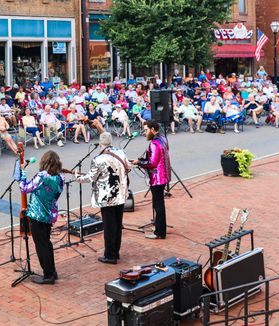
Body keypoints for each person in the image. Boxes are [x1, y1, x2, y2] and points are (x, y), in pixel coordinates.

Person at [75, 132, 131, 263]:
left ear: (100, 144)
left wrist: (78, 177)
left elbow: (90, 178)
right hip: (121, 194)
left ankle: (110, 255)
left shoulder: (98, 159)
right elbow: (128, 167)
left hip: (107, 197)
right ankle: (115, 252)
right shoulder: (121, 153)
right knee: (117, 225)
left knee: (109, 227)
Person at [19, 150, 64, 284]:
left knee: (41, 245)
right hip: (50, 214)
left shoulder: (42, 176)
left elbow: (24, 188)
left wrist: (22, 173)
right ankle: (52, 271)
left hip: (37, 215)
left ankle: (48, 275)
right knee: (46, 242)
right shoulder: (61, 177)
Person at [132, 121, 170, 239]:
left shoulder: (154, 143)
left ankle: (159, 232)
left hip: (157, 177)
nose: (144, 132)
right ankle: (160, 228)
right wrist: (142, 160)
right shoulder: (163, 138)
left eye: (146, 130)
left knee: (158, 205)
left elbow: (152, 163)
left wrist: (139, 162)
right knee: (159, 204)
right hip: (163, 176)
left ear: (153, 129)